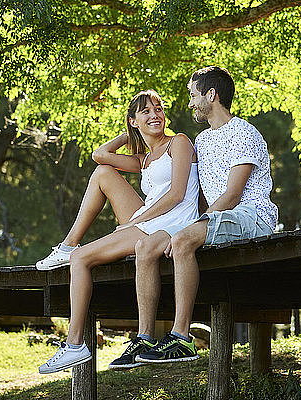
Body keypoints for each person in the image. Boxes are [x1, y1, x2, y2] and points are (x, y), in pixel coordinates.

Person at [114, 66, 278, 366]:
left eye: (193, 95)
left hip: (251, 217)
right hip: (215, 219)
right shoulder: (202, 141)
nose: (190, 103)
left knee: (182, 239)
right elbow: (200, 194)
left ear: (211, 95)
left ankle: (181, 338)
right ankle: (144, 338)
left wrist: (189, 228)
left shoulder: (243, 132)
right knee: (147, 246)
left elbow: (231, 196)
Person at [37, 89, 200, 374]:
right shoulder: (144, 159)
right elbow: (99, 155)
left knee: (81, 260)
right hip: (149, 219)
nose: (155, 115)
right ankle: (68, 244)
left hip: (172, 222)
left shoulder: (179, 143)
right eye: (146, 112)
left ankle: (75, 345)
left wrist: (134, 223)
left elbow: (176, 194)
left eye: (158, 109)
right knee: (102, 173)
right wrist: (131, 132)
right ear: (134, 120)